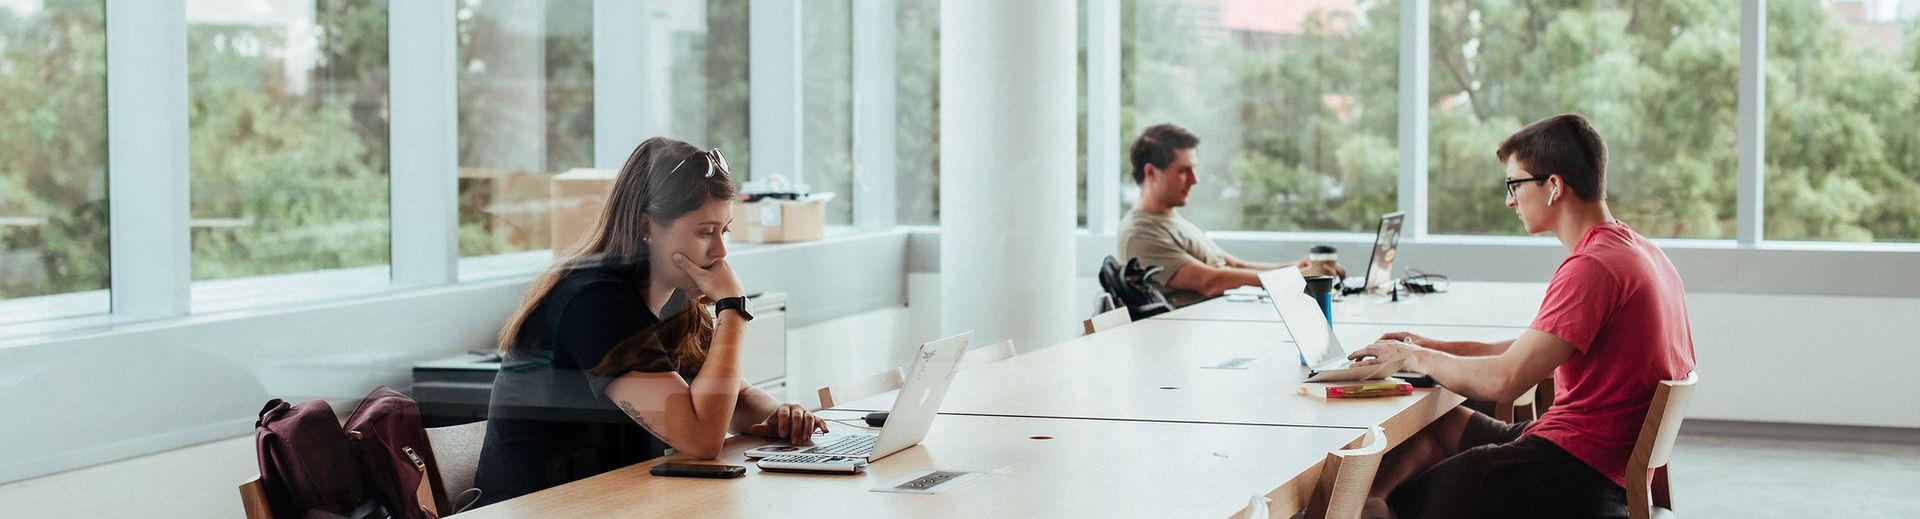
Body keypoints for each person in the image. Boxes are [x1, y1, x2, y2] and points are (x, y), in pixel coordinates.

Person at [1344, 114, 1697, 518]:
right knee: (1428, 429)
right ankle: (1374, 501)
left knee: (1383, 497)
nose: (1509, 200)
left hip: (1572, 474)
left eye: (1515, 184)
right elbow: (1522, 352)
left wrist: (1412, 359)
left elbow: (1505, 381)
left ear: (1554, 186)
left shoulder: (1594, 267)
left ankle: (1375, 506)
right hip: (1586, 457)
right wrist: (1430, 347)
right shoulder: (1638, 251)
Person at [474, 137, 827, 506]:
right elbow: (700, 438)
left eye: (725, 230)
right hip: (548, 510)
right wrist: (733, 309)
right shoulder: (593, 303)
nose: (721, 252)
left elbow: (735, 399)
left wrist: (783, 416)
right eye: (705, 232)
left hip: (615, 504)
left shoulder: (676, 299)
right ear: (648, 227)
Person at [1116, 123, 1343, 307]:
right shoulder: (1141, 233)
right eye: (1183, 171)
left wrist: (1297, 268)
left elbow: (1231, 264)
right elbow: (1210, 282)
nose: (1194, 180)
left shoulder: (1171, 219)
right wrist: (1295, 277)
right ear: (1151, 172)